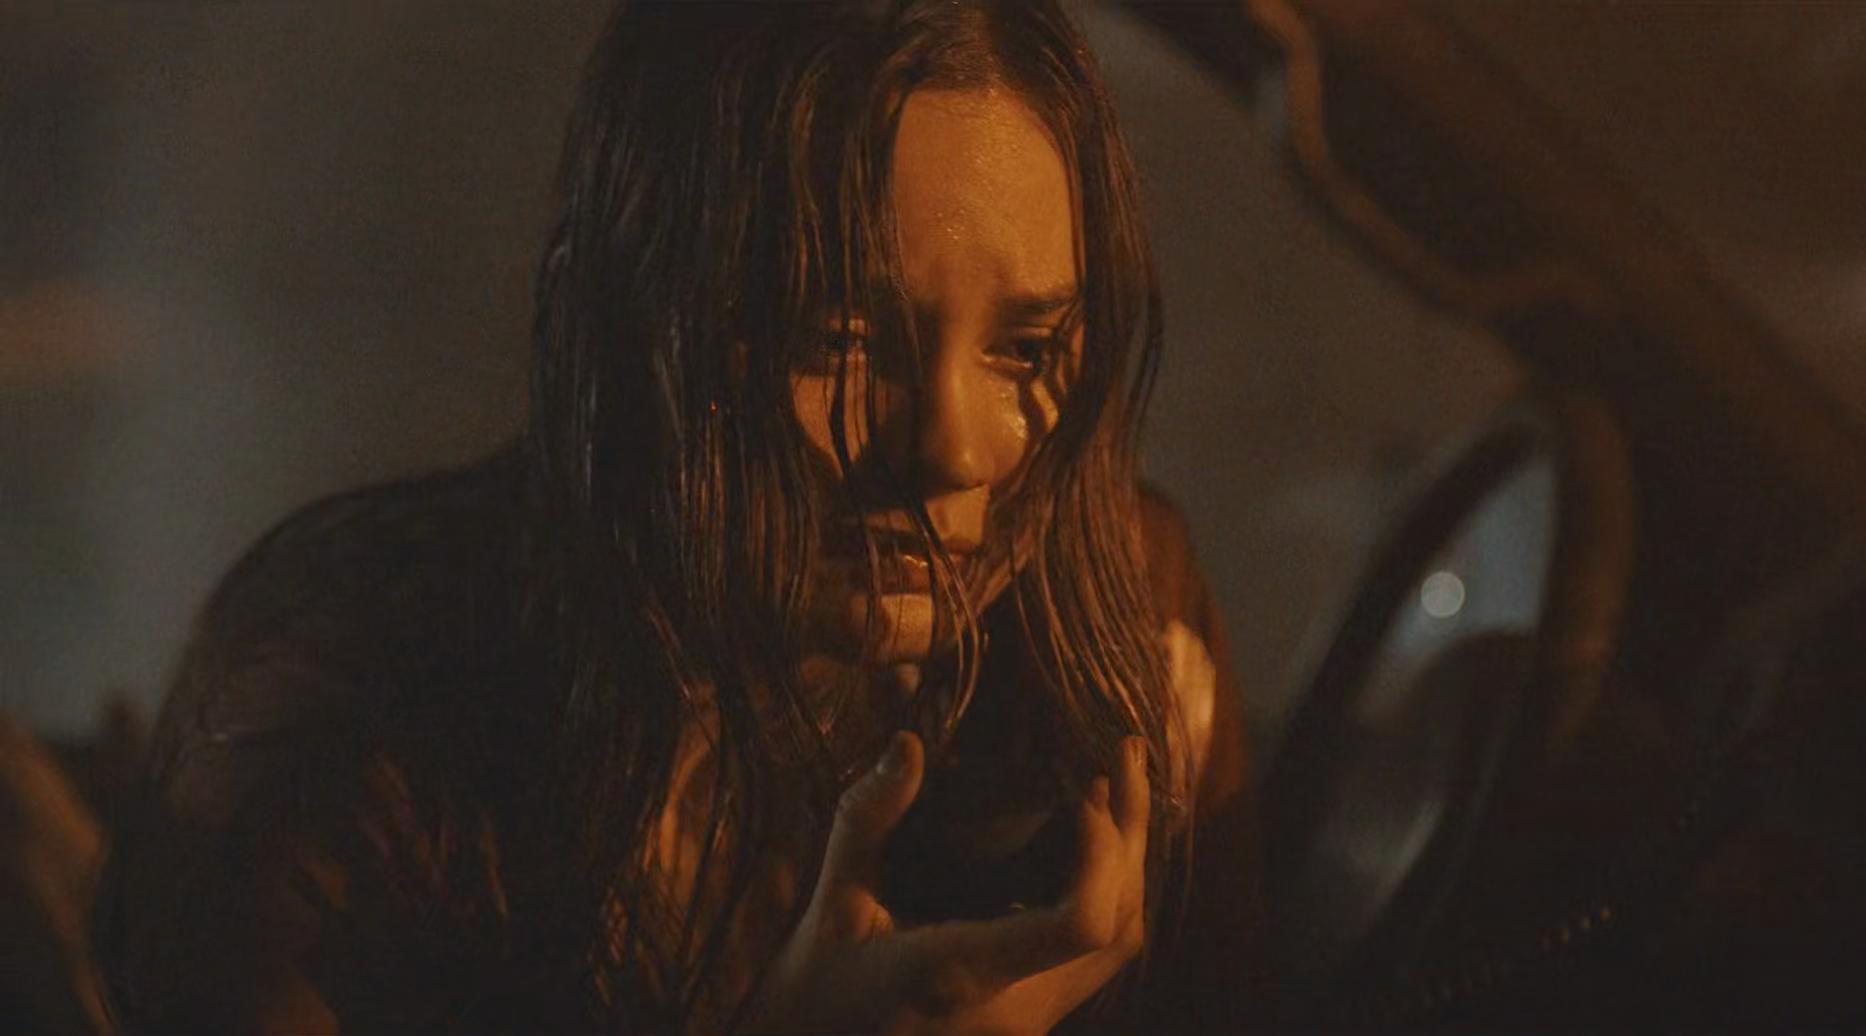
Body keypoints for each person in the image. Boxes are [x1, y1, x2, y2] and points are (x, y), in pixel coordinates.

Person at [95, 1, 1256, 1031]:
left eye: (1026, 348)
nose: (956, 447)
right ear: (638, 324)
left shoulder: (1114, 631)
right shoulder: (347, 729)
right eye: (838, 337)